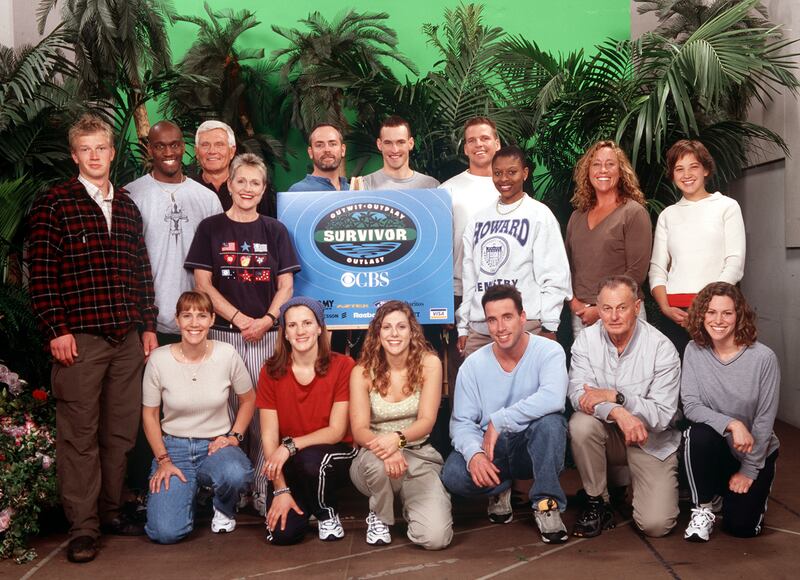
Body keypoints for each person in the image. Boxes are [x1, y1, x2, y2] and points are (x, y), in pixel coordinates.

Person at [27, 114, 158, 563]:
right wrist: (55, 330)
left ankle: (111, 510)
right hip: (80, 339)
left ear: (111, 152)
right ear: (75, 155)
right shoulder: (55, 203)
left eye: (101, 148)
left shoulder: (124, 206)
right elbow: (41, 276)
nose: (95, 156)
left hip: (126, 338)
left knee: (119, 432)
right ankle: (83, 527)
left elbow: (141, 272)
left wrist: (146, 325)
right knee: (79, 434)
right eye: (86, 149)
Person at [185, 152, 300, 513]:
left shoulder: (275, 230)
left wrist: (266, 319)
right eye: (242, 181)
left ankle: (266, 489)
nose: (248, 188)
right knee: (231, 414)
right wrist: (238, 319)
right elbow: (202, 283)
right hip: (223, 335)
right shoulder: (210, 228)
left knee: (266, 414)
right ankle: (232, 493)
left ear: (263, 189)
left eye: (256, 182)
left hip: (267, 335)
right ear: (230, 184)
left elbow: (287, 286)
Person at [442, 284, 570, 545]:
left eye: (507, 317)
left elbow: (553, 398)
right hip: (493, 450)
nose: (500, 327)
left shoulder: (549, 351)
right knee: (454, 474)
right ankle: (500, 489)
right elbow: (462, 423)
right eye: (492, 319)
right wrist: (475, 455)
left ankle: (546, 503)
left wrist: (499, 420)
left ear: (522, 317)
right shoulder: (473, 365)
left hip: (530, 446)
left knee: (552, 424)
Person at [568, 275, 681, 539]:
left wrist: (616, 397)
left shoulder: (661, 348)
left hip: (649, 439)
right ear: (599, 308)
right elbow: (578, 396)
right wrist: (618, 412)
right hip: (608, 435)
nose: (614, 316)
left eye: (622, 307)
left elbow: (663, 416)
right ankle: (598, 502)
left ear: (637, 307)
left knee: (656, 525)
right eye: (606, 308)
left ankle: (634, 482)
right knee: (581, 424)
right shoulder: (586, 340)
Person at [142, 291, 255, 544]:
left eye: (202, 315)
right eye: (187, 316)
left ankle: (224, 508)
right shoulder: (159, 360)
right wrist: (163, 459)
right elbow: (149, 414)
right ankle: (187, 495)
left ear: (212, 319)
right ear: (177, 320)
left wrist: (234, 438)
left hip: (215, 446)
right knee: (165, 533)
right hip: (174, 450)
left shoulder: (227, 354)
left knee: (236, 473)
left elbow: (249, 400)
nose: (194, 323)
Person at [349, 301, 453, 550]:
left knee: (435, 538)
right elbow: (360, 429)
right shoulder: (362, 371)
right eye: (386, 327)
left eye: (401, 327)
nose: (394, 334)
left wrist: (398, 440)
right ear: (377, 333)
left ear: (412, 331)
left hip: (417, 455)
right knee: (377, 466)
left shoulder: (430, 363)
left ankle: (415, 503)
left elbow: (427, 422)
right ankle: (380, 515)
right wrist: (387, 449)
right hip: (372, 458)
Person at [681, 282, 779, 542]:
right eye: (711, 312)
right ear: (702, 315)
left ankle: (735, 493)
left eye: (727, 313)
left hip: (754, 451)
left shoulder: (763, 358)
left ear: (740, 316)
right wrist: (732, 423)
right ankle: (703, 506)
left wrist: (749, 470)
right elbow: (690, 405)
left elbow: (764, 421)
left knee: (741, 528)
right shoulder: (694, 350)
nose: (718, 320)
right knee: (696, 434)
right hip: (717, 448)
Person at [256, 297, 357, 544]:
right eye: (292, 325)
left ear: (320, 327)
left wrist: (290, 446)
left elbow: (336, 431)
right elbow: (269, 438)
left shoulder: (343, 365)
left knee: (312, 461)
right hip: (290, 461)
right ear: (285, 333)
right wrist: (280, 489)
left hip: (334, 453)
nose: (300, 331)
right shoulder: (270, 371)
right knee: (283, 535)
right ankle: (304, 502)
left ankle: (326, 512)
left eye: (307, 323)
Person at [458, 145, 571, 356]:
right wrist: (463, 325)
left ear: (525, 173)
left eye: (512, 172)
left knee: (525, 387)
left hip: (526, 324)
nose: (504, 179)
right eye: (498, 173)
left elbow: (554, 274)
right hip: (481, 326)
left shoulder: (539, 215)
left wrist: (549, 325)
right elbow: (469, 278)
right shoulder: (478, 220)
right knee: (479, 387)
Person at [126, 120, 222, 344]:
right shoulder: (131, 195)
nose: (169, 152)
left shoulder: (207, 198)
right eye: (160, 146)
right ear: (150, 149)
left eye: (175, 145)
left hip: (198, 318)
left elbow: (218, 262)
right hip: (148, 322)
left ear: (184, 147)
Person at [649, 139, 746, 356]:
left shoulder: (726, 207)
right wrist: (665, 308)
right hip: (675, 315)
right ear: (672, 175)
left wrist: (709, 308)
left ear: (705, 169)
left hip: (716, 312)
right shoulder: (668, 215)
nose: (686, 174)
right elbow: (657, 268)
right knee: (677, 379)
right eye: (679, 169)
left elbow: (735, 263)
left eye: (693, 166)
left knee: (718, 377)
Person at [439, 116, 501, 393]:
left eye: (485, 138)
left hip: (504, 289)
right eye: (472, 140)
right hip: (459, 290)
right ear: (464, 148)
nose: (479, 145)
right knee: (461, 368)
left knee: (503, 366)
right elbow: (438, 249)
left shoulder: (508, 186)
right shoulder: (447, 190)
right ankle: (460, 433)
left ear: (496, 143)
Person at [566, 140, 652, 339]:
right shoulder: (577, 216)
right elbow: (566, 268)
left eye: (610, 164)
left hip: (622, 313)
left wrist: (600, 310)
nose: (602, 170)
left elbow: (636, 274)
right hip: (582, 316)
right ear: (587, 171)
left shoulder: (633, 213)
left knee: (630, 370)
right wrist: (575, 305)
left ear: (621, 171)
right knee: (588, 371)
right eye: (596, 164)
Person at [193, 120, 272, 216]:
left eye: (219, 145)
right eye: (205, 145)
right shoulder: (189, 189)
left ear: (232, 151)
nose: (212, 151)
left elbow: (267, 226)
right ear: (196, 152)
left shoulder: (252, 188)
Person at [353, 116, 440, 190]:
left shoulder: (431, 186)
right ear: (379, 145)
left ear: (411, 143)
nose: (395, 150)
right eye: (388, 143)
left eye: (401, 142)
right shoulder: (364, 186)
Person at [288, 123, 349, 192]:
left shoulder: (352, 191)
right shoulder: (298, 191)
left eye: (333, 144)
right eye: (319, 145)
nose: (327, 150)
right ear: (310, 152)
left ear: (343, 150)